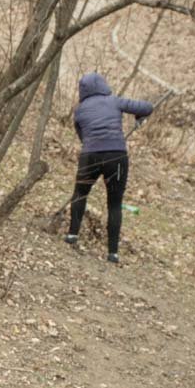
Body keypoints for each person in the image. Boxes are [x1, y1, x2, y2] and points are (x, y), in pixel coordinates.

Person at [64, 72, 154, 264]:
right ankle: (112, 252)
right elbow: (148, 107)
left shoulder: (79, 111)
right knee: (114, 203)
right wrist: (139, 117)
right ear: (103, 85)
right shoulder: (114, 101)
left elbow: (82, 135)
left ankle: (72, 234)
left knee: (80, 193)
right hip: (116, 156)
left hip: (90, 156)